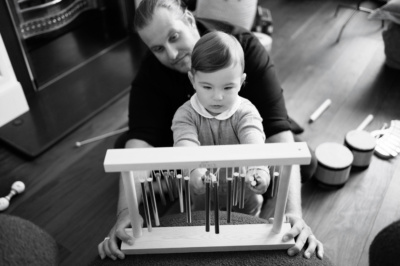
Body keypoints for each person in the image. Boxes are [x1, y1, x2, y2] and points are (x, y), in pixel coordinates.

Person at [98, 0, 323, 261]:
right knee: (124, 150)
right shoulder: (152, 74)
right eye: (158, 48)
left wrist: (291, 212)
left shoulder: (245, 47)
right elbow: (140, 141)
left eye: (174, 37)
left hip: (241, 140)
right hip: (186, 147)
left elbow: (275, 127)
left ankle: (250, 194)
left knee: (305, 162)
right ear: (194, 80)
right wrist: (126, 211)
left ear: (190, 21)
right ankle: (178, 183)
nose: (171, 54)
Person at [172, 31, 270, 217]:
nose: (217, 96)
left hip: (244, 188)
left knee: (247, 219)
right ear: (193, 80)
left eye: (228, 87)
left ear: (241, 82)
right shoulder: (185, 115)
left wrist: (259, 170)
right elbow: (185, 143)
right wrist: (193, 169)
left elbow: (254, 140)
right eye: (207, 87)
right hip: (203, 191)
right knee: (202, 220)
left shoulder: (246, 112)